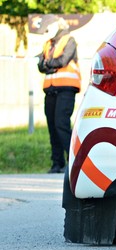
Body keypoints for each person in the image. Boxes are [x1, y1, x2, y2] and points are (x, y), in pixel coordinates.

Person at [37, 16, 81, 174]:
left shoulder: (69, 40)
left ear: (56, 26)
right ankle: (57, 163)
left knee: (61, 124)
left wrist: (48, 64)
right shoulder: (48, 44)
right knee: (52, 127)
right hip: (50, 90)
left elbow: (62, 61)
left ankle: (73, 161)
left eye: (47, 29)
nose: (45, 33)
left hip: (66, 89)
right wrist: (48, 64)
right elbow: (41, 65)